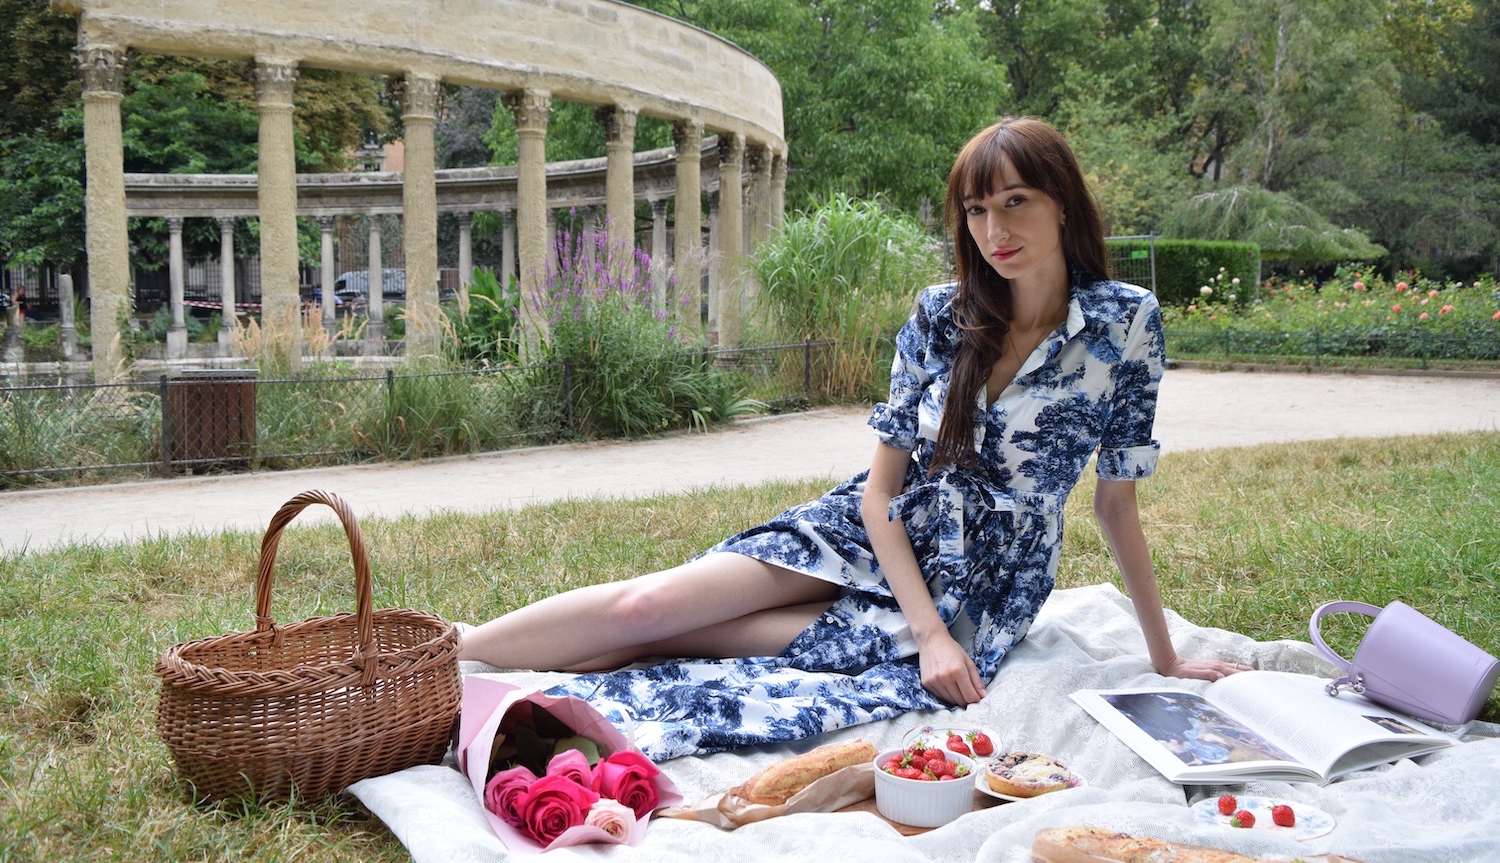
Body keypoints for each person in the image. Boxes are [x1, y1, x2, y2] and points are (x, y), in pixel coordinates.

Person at [460, 117, 1247, 751]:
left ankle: (475, 680)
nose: (993, 229)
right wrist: (928, 637)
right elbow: (881, 494)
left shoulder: (1125, 322)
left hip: (982, 581)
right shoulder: (941, 315)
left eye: (1015, 202)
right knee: (647, 609)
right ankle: (442, 649)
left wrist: (1165, 657)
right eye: (976, 210)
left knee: (689, 641)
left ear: (1063, 204)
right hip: (875, 531)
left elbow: (1116, 505)